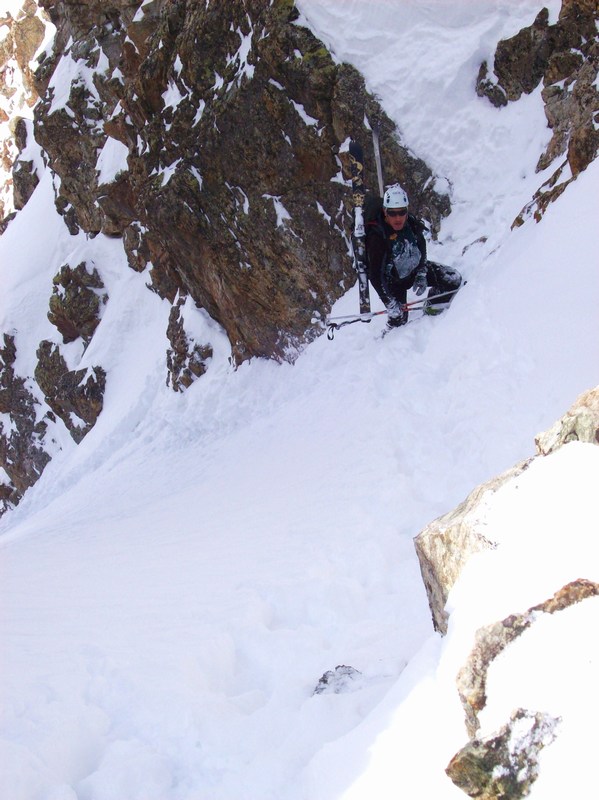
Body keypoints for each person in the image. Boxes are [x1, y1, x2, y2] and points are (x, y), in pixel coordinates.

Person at [364, 183, 462, 327]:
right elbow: (375, 276)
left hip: (414, 270)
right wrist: (390, 303)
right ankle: (386, 341)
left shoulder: (411, 224)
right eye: (392, 213)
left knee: (452, 280)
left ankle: (431, 312)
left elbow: (422, 248)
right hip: (394, 282)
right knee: (399, 323)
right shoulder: (378, 237)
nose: (398, 218)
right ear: (385, 212)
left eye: (402, 212)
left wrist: (421, 274)